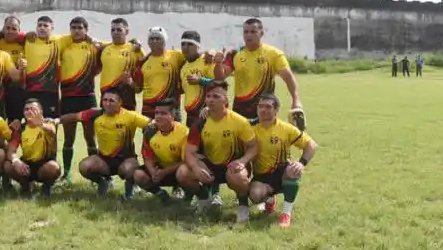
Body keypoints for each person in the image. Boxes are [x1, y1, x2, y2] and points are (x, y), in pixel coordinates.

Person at [179, 80, 258, 222]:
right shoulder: (200, 122)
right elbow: (189, 152)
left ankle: (243, 207)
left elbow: (253, 147)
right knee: (183, 173)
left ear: (225, 101)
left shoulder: (239, 121)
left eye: (216, 96)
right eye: (208, 96)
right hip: (209, 167)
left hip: (232, 165)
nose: (211, 100)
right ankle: (204, 200)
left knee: (239, 177)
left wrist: (242, 161)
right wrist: (196, 168)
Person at [213, 18, 304, 129]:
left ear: (261, 33)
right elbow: (220, 77)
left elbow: (288, 77)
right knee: (242, 139)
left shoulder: (273, 54)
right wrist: (218, 63)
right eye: (246, 32)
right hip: (240, 109)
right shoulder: (234, 54)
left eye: (253, 32)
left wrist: (296, 99)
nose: (249, 35)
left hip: (264, 108)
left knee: (265, 138)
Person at [59, 88, 150, 198]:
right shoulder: (96, 114)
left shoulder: (130, 116)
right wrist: (55, 121)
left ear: (120, 102)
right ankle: (103, 182)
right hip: (104, 161)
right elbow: (74, 117)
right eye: (105, 100)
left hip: (125, 159)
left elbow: (150, 123)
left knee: (129, 169)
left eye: (112, 101)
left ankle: (129, 192)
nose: (107, 103)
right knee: (84, 166)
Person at [247, 93, 318, 227]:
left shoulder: (286, 128)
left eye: (268, 107)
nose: (263, 110)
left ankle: (286, 214)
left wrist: (301, 163)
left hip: (282, 171)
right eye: (260, 106)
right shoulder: (249, 128)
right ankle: (269, 199)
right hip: (261, 175)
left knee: (293, 170)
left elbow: (311, 145)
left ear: (276, 110)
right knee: (255, 195)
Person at [57, 16, 102, 183]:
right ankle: (67, 174)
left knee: (90, 138)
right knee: (69, 138)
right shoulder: (64, 45)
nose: (76, 31)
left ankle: (95, 173)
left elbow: (106, 50)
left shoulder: (93, 46)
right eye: (73, 28)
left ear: (86, 30)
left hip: (87, 98)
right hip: (68, 98)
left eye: (80, 28)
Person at [134, 103, 194, 205]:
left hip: (177, 170)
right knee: (138, 175)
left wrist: (164, 172)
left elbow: (187, 161)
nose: (158, 116)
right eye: (156, 113)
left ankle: (190, 197)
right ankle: (162, 195)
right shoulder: (150, 132)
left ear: (173, 116)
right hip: (159, 169)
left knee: (184, 172)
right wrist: (153, 172)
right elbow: (147, 157)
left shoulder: (184, 132)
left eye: (163, 113)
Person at [4, 98, 62, 198]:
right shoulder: (21, 129)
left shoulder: (48, 124)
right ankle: (25, 186)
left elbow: (52, 131)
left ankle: (46, 187)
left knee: (53, 167)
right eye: (26, 109)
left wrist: (40, 124)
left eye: (33, 109)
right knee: (7, 165)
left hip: (44, 165)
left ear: (41, 111)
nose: (29, 111)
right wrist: (16, 161)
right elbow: (11, 151)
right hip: (27, 165)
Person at [134, 26, 185, 119]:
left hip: (170, 107)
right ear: (148, 42)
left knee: (175, 129)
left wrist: (211, 52)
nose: (154, 41)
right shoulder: (143, 62)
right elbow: (138, 89)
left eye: (158, 38)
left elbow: (195, 57)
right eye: (151, 39)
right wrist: (129, 82)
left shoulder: (176, 55)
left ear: (164, 40)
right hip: (148, 108)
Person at [98, 17, 145, 112]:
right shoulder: (104, 48)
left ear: (126, 31)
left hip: (126, 96)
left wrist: (132, 83)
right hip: (107, 96)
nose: (115, 32)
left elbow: (143, 73)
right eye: (113, 30)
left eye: (119, 30)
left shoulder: (136, 49)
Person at [21, 15, 61, 118]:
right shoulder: (28, 40)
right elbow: (9, 34)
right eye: (39, 25)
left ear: (52, 28)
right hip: (31, 90)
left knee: (51, 122)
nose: (42, 28)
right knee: (31, 120)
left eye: (45, 26)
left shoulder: (59, 41)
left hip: (51, 91)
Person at [179, 30, 217, 129]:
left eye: (190, 44)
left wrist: (200, 80)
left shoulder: (207, 60)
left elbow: (219, 84)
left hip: (206, 114)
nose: (185, 47)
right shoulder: (183, 68)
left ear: (198, 46)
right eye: (183, 44)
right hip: (190, 116)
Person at [0, 16, 26, 126]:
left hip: (16, 89)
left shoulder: (25, 44)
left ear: (19, 30)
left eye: (14, 28)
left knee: (13, 123)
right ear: (3, 28)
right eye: (8, 28)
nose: (10, 31)